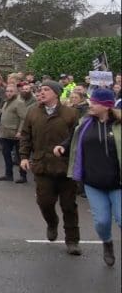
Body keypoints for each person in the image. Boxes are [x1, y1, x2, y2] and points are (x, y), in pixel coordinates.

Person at [56, 88, 120, 266]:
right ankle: (107, 243)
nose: (90, 104)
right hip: (93, 182)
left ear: (106, 105)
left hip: (117, 182)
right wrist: (63, 147)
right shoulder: (85, 122)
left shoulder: (119, 125)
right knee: (101, 222)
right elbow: (73, 139)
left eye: (95, 102)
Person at [19, 80, 81, 256]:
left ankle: (72, 241)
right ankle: (52, 223)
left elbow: (77, 139)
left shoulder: (71, 114)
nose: (42, 92)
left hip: (65, 167)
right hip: (42, 166)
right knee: (44, 202)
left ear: (56, 93)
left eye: (46, 90)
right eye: (40, 90)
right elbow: (25, 136)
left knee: (69, 206)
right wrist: (24, 157)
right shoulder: (33, 112)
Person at [0, 84, 28, 183]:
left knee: (20, 156)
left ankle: (23, 176)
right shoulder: (6, 102)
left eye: (11, 91)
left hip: (15, 134)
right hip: (5, 133)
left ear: (16, 92)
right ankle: (8, 175)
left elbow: (23, 118)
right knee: (6, 155)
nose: (9, 93)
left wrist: (20, 131)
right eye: (7, 91)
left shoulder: (19, 103)